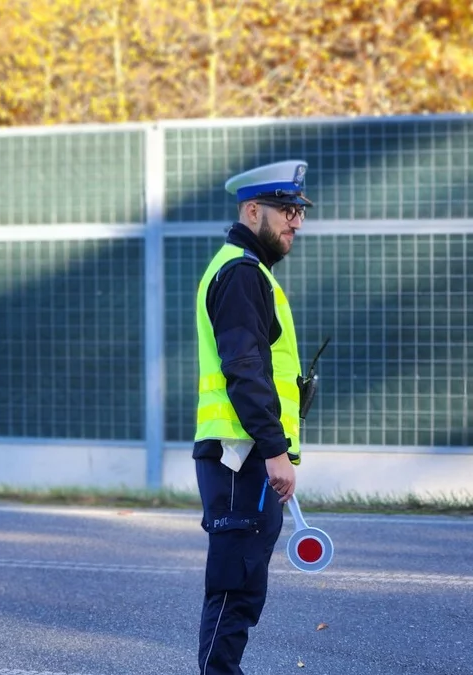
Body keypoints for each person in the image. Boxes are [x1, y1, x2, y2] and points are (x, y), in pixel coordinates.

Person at [193, 159, 312, 675]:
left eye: (299, 212)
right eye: (287, 210)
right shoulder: (241, 272)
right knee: (234, 584)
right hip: (243, 456)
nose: (296, 221)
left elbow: (261, 369)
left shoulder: (249, 271)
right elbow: (244, 368)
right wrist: (274, 450)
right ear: (252, 209)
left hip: (245, 455)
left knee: (242, 585)